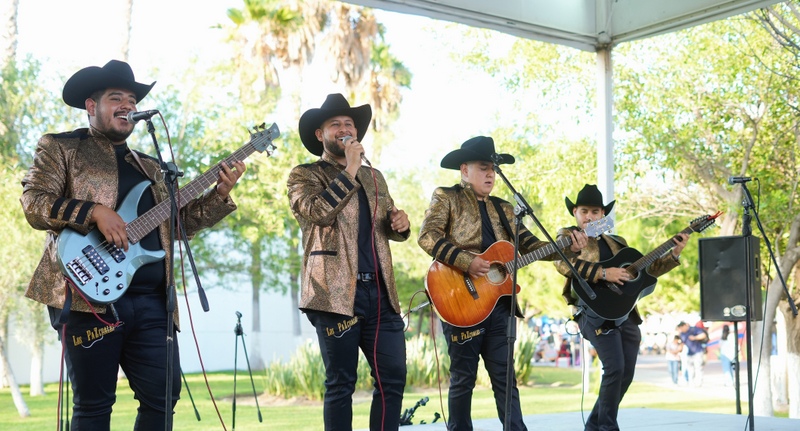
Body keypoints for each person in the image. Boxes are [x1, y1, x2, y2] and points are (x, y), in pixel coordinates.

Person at [20, 60, 245, 430]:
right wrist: (93, 212)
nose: (127, 103)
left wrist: (219, 195)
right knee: (94, 405)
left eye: (132, 98)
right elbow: (35, 204)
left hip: (154, 302)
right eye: (116, 97)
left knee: (163, 399)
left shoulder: (152, 167)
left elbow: (177, 225)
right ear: (92, 106)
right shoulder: (62, 147)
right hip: (88, 297)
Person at [417, 136, 587, 430]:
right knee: (463, 378)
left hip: (500, 304)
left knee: (506, 379)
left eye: (493, 169)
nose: (490, 174)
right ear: (464, 170)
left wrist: (566, 246)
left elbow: (530, 245)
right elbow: (427, 236)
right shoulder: (447, 196)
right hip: (459, 298)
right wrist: (465, 261)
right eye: (483, 168)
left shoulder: (505, 208)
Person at [287, 93, 410, 431]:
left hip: (381, 294)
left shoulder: (375, 177)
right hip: (334, 295)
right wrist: (351, 168)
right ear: (320, 134)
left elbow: (387, 227)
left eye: (349, 124)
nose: (344, 129)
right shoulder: (305, 174)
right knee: (341, 383)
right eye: (335, 124)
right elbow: (318, 213)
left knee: (393, 378)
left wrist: (401, 224)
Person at [554, 184, 688, 431]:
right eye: (584, 211)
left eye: (595, 212)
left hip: (625, 313)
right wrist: (605, 273)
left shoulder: (618, 242)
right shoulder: (568, 237)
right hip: (592, 313)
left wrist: (674, 254)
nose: (589, 216)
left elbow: (646, 271)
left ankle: (594, 426)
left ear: (602, 215)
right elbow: (564, 265)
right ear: (575, 212)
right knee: (614, 368)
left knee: (625, 373)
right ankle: (607, 428)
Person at [678, 321, 708, 387]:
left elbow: (703, 335)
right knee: (690, 369)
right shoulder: (682, 334)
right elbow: (682, 343)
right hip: (689, 353)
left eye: (682, 328)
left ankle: (699, 382)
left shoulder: (694, 329)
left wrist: (694, 338)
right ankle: (691, 382)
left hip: (697, 351)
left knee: (698, 367)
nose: (682, 329)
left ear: (685, 326)